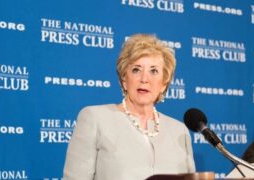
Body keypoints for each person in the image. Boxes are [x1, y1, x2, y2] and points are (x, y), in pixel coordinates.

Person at [63, 34, 196, 180]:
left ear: (163, 84)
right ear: (124, 80)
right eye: (136, 70)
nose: (144, 79)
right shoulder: (95, 118)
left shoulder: (179, 131)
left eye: (154, 71)